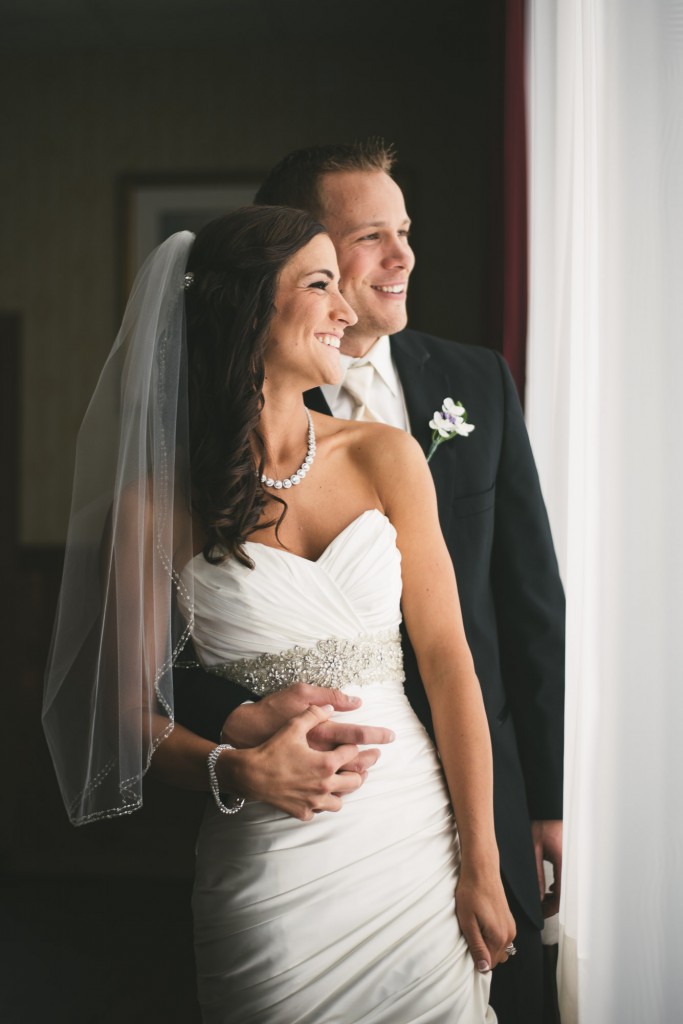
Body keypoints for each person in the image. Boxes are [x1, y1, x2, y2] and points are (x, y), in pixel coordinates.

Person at [43, 204, 515, 1023]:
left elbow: (447, 664)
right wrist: (237, 768)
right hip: (271, 866)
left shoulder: (386, 457)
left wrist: (481, 862)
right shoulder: (156, 507)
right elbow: (121, 720)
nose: (345, 309)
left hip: (413, 843)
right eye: (320, 284)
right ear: (247, 306)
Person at [174, 142, 566, 1024]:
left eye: (406, 233)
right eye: (367, 239)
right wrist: (237, 747)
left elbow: (522, 604)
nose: (399, 260)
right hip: (282, 842)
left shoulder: (465, 389)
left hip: (448, 806)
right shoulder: (176, 490)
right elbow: (136, 688)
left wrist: (543, 805)